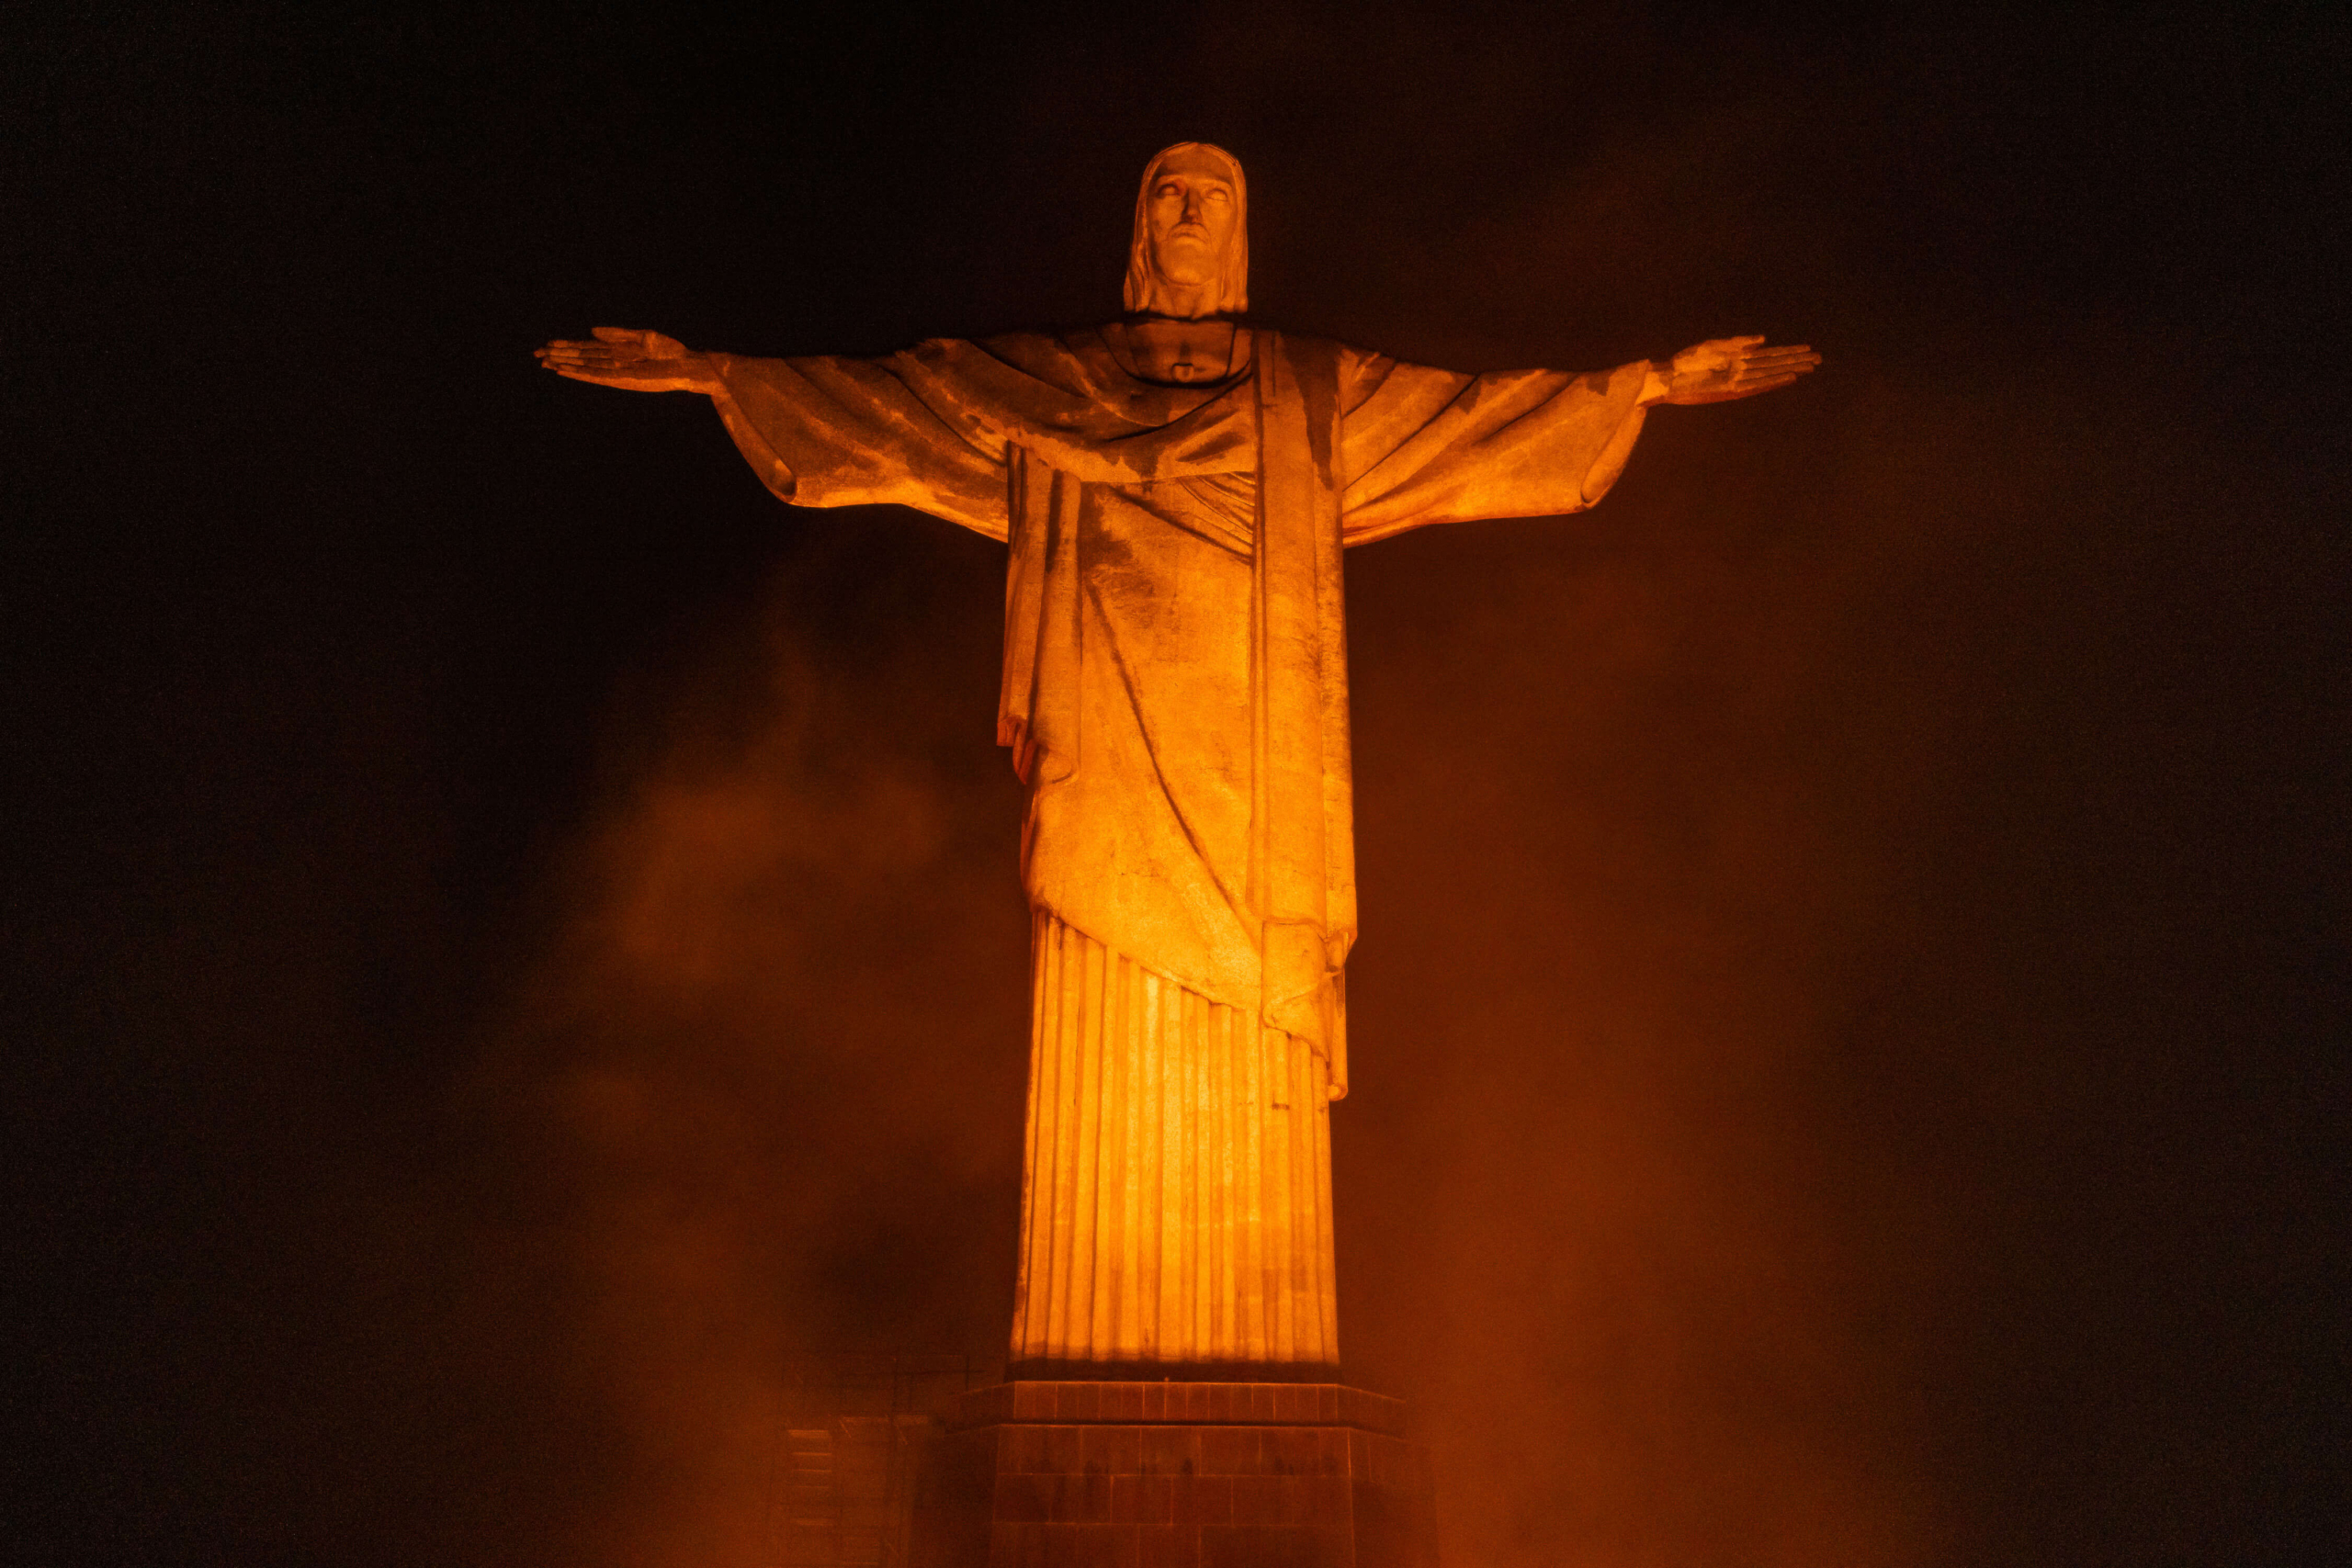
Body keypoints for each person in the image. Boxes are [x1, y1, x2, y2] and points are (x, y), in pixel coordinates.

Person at [537, 141, 1818, 1378]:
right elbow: (895, 405)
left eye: (1214, 197)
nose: (1191, 215)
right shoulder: (1055, 385)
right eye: (1170, 198)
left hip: (1258, 781)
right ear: (1140, 234)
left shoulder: (1311, 395)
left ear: (1241, 230)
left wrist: (1639, 383)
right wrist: (715, 374)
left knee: (1251, 1023)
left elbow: (1477, 423)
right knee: (1097, 996)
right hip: (1105, 757)